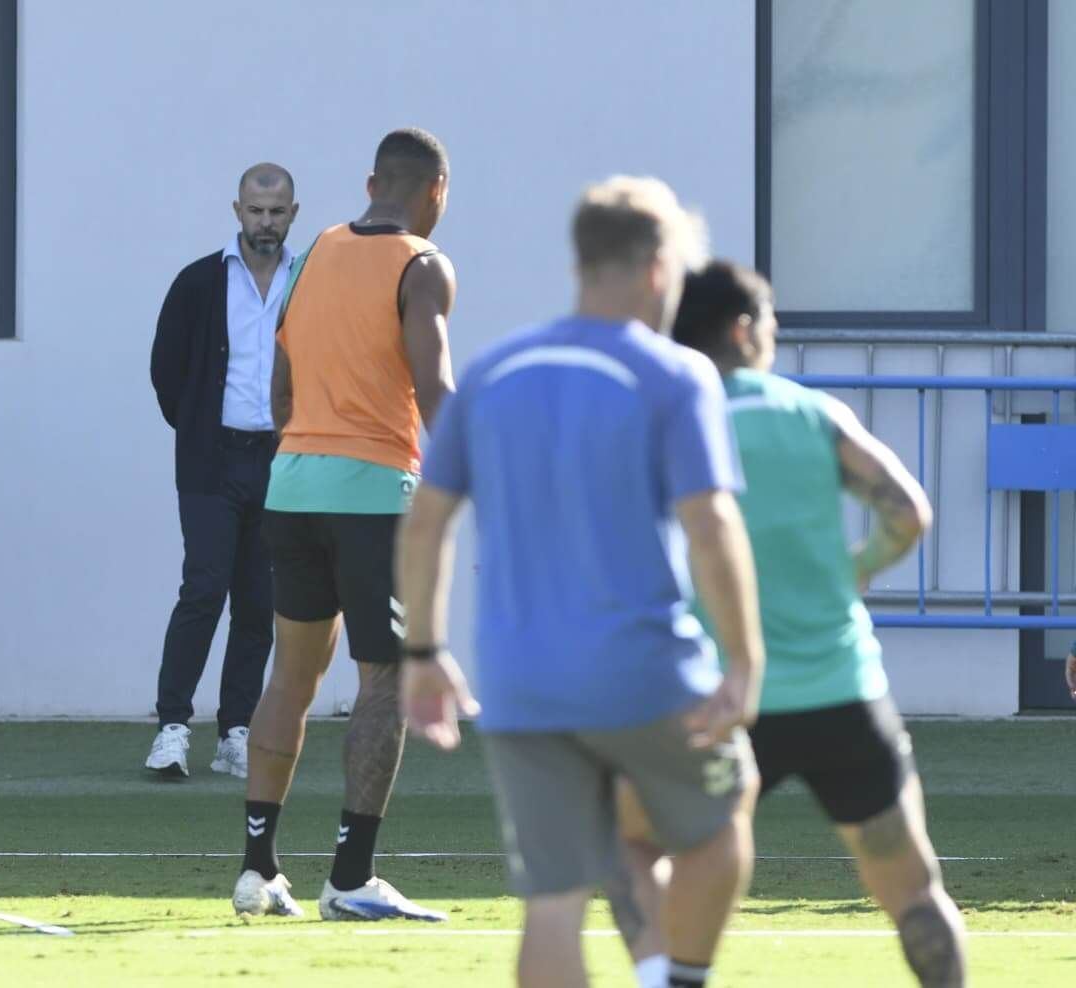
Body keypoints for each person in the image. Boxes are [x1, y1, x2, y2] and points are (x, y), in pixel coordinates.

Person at [395, 176, 763, 988]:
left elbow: (425, 522)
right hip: (644, 672)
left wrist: (424, 649)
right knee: (724, 813)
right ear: (660, 268)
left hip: (522, 684)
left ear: (582, 260)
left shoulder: (494, 371)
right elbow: (712, 527)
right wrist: (743, 663)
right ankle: (680, 979)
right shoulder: (675, 375)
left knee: (554, 903)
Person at [607, 260, 966, 987]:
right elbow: (908, 512)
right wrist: (858, 568)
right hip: (844, 695)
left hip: (721, 700)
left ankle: (673, 975)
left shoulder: (665, 426)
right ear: (743, 330)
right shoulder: (812, 412)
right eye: (771, 325)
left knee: (631, 843)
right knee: (915, 891)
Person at [232, 128, 456, 922]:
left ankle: (258, 871)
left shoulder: (317, 248)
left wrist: (307, 446)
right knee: (384, 680)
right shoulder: (422, 265)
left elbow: (281, 383)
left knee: (290, 677)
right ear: (437, 190)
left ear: (370, 183)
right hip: (372, 499)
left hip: (290, 487)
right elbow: (435, 390)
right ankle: (351, 877)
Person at [145, 164, 298, 779]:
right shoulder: (200, 281)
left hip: (282, 460)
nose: (266, 222)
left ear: (294, 213)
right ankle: (172, 728)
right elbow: (166, 371)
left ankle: (237, 729)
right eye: (256, 210)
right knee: (203, 588)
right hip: (212, 459)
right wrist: (200, 428)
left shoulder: (307, 280)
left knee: (259, 600)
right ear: (237, 210)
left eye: (277, 211)